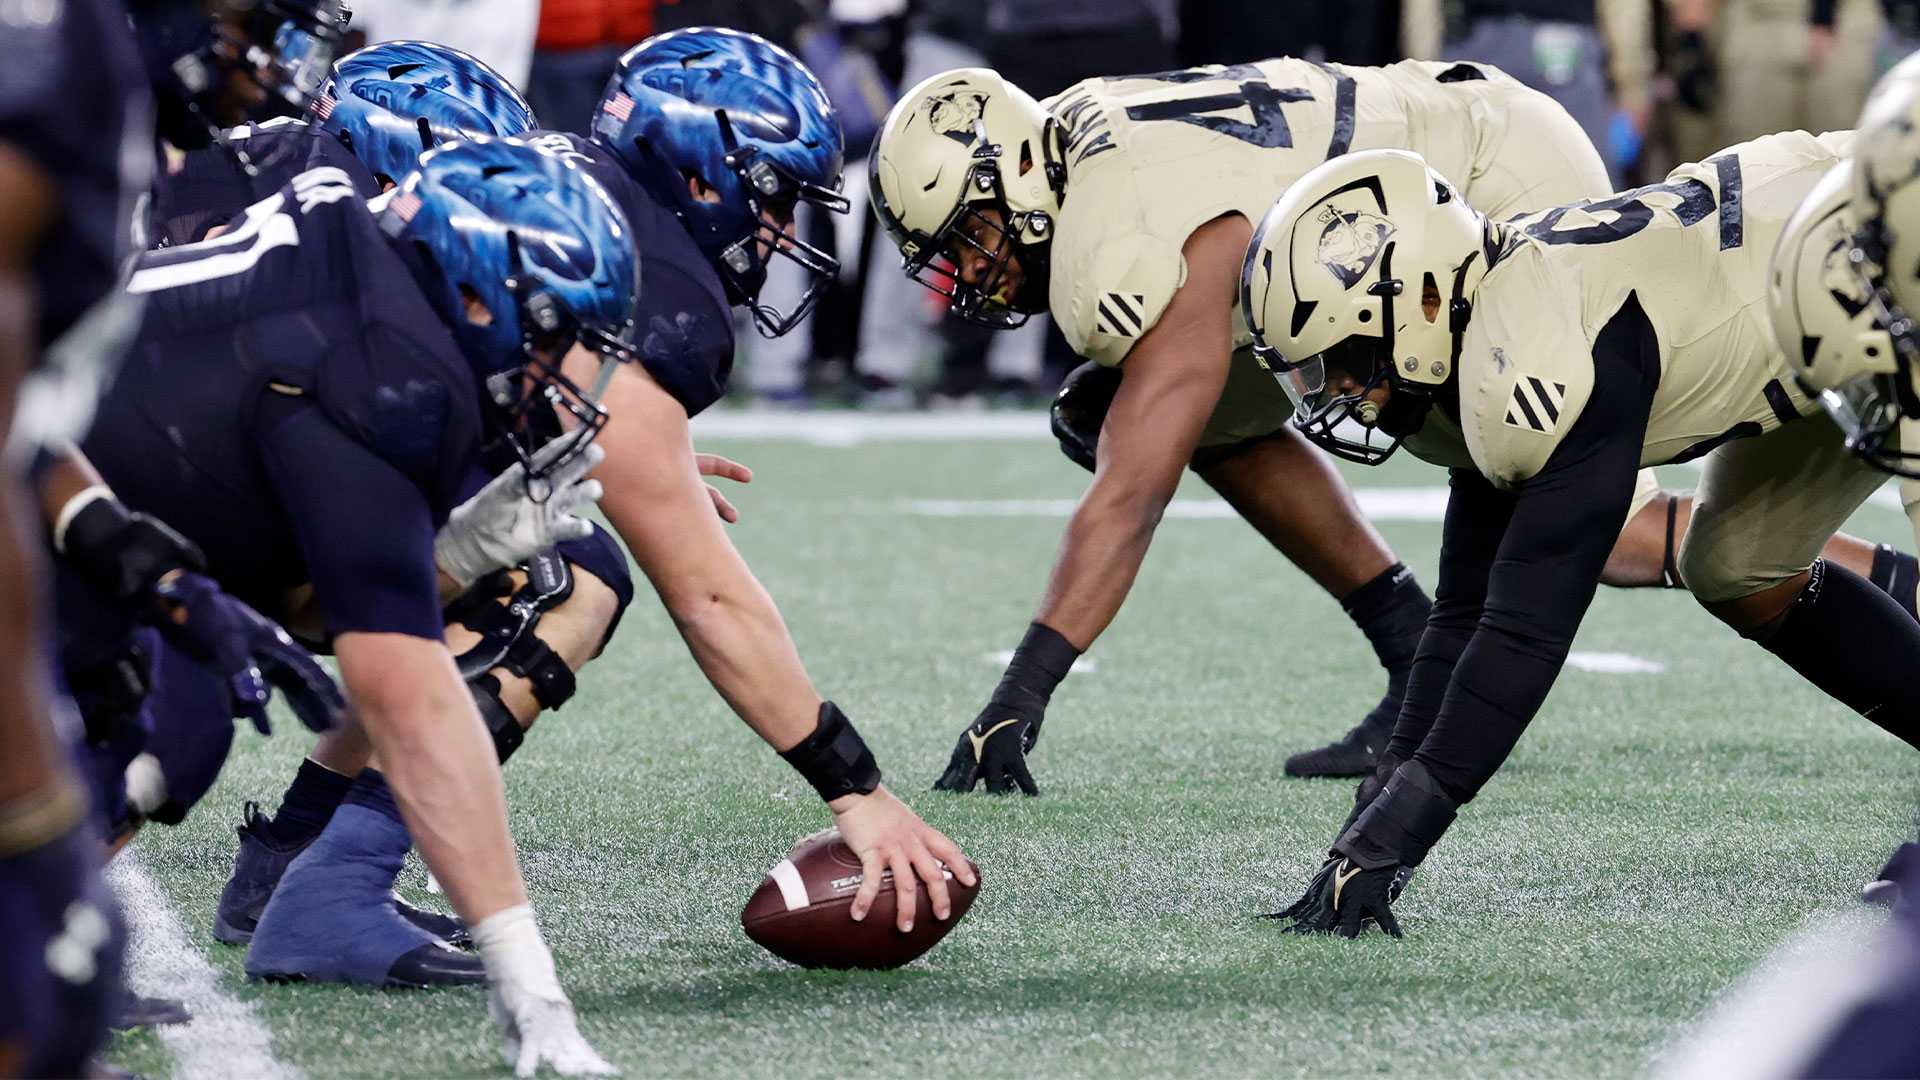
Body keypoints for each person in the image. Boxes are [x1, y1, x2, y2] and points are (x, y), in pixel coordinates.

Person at [865, 59, 1906, 792]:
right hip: (1383, 197)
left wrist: (1022, 689)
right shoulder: (1078, 136)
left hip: (1474, 189)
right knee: (1221, 421)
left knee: (1587, 528)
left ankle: (1889, 583)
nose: (968, 269)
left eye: (972, 231)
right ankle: (1409, 646)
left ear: (1015, 177)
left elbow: (1133, 491)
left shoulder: (1106, 233)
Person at [1242, 135, 1920, 938]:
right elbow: (1463, 610)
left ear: (1422, 300)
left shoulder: (1537, 345)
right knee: (1739, 566)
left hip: (1888, 252)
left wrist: (1399, 837)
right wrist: (1376, 807)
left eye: (1345, 361)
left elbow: (1524, 631)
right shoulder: (1482, 336)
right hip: (1816, 311)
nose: (1342, 394)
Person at [88, 136, 631, 1071]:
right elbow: (406, 700)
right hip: (49, 508)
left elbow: (303, 604)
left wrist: (453, 555)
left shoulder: (371, 286)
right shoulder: (379, 371)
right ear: (472, 297)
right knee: (166, 720)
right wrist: (523, 969)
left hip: (93, 505)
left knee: (202, 671)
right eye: (551, 336)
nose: (562, 373)